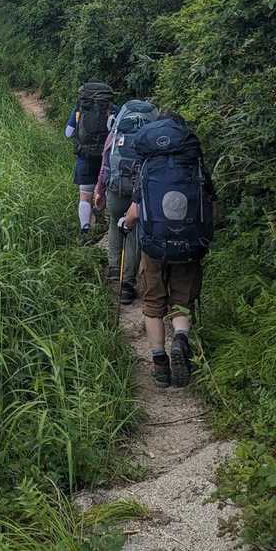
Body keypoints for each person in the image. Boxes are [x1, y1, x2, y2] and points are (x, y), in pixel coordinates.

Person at [116, 110, 215, 388]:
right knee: (182, 298)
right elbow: (211, 205)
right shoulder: (193, 162)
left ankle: (160, 364)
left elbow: (135, 212)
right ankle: (180, 339)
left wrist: (125, 223)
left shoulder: (149, 164)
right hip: (189, 244)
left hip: (154, 245)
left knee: (153, 302)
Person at [94, 98, 158, 303]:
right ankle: (127, 284)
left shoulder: (116, 131)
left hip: (116, 189)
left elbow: (105, 163)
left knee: (115, 223)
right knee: (134, 231)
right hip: (140, 193)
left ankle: (114, 270)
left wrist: (99, 190)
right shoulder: (154, 135)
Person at [65, 79, 114, 243]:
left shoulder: (80, 107)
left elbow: (68, 132)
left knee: (85, 195)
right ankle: (103, 224)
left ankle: (85, 230)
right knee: (104, 191)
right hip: (106, 158)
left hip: (84, 156)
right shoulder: (111, 107)